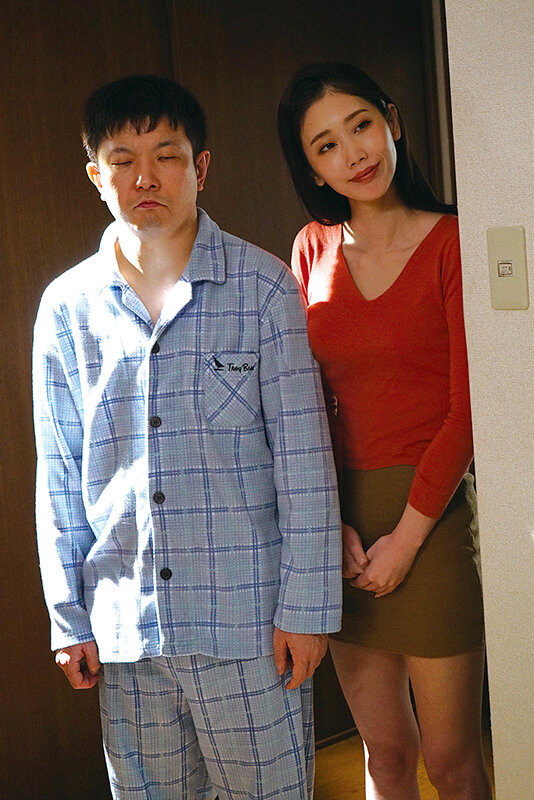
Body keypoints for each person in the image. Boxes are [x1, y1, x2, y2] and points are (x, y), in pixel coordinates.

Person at [33, 73, 342, 800]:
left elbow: (304, 461)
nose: (146, 177)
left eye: (167, 155)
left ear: (201, 166)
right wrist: (66, 617)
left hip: (249, 628)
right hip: (125, 633)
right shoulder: (66, 307)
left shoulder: (264, 289)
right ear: (96, 175)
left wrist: (306, 610)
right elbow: (58, 470)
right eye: (122, 160)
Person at [278, 62, 492, 800]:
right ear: (313, 168)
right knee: (385, 755)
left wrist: (406, 538)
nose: (353, 154)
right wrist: (326, 521)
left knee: (452, 761)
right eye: (326, 146)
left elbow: (470, 410)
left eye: (361, 125)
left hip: (431, 518)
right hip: (338, 524)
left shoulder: (455, 241)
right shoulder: (311, 248)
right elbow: (300, 399)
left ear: (392, 121)